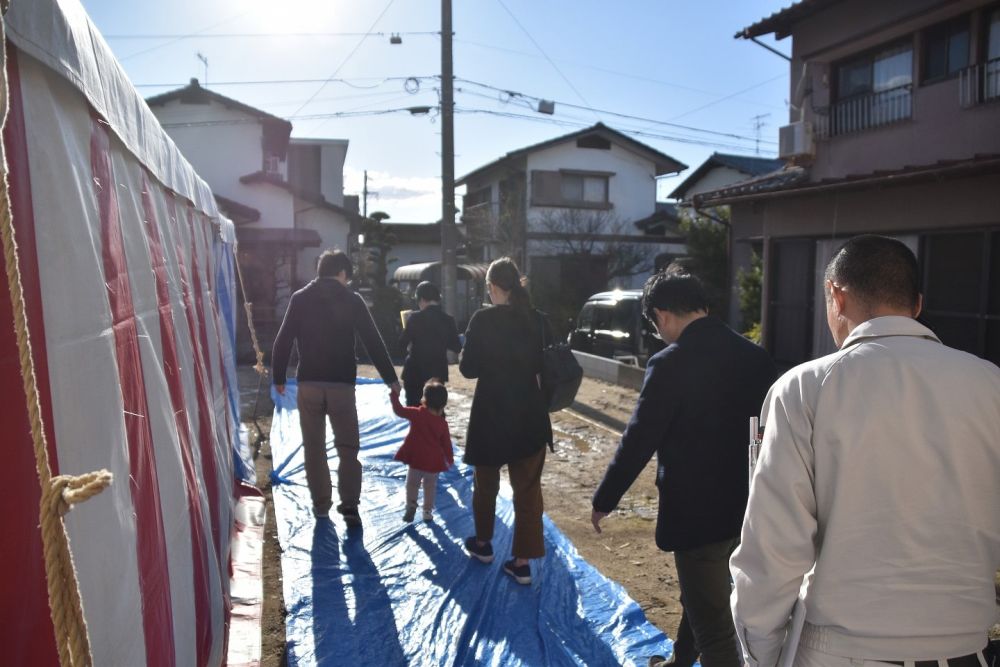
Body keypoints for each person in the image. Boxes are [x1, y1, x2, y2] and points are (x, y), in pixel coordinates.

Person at [730, 235, 1000, 667]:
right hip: (966, 647)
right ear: (916, 305)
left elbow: (774, 548)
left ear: (836, 294)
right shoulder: (990, 384)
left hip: (843, 650)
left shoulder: (806, 387)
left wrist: (758, 652)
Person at [590, 270, 776, 667]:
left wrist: (605, 497)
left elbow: (640, 437)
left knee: (715, 628)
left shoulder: (670, 362)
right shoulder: (755, 356)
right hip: (749, 503)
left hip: (697, 511)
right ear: (704, 307)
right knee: (702, 594)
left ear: (661, 316)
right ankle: (679, 660)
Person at [272, 249, 399, 526]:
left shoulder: (300, 298)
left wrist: (279, 378)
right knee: (348, 448)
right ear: (342, 273)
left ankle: (321, 506)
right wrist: (391, 378)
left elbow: (283, 341)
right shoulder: (352, 300)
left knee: (314, 448)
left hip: (309, 384)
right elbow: (373, 341)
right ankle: (350, 505)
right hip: (341, 384)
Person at [460, 257, 553, 585]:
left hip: (491, 415)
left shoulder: (482, 320)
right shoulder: (538, 320)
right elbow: (549, 366)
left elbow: (467, 368)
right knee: (527, 491)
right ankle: (522, 562)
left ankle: (483, 545)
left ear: (494, 288)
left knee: (485, 485)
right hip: (530, 416)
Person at [389, 378, 454, 523]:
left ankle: (411, 505)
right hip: (433, 462)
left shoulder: (417, 414)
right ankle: (427, 512)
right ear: (443, 403)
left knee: (412, 484)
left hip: (416, 459)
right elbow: (447, 444)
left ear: (424, 399)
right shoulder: (442, 423)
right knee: (430, 487)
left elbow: (398, 410)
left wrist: (394, 395)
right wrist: (449, 459)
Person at [398, 281, 462, 407]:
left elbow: (401, 344)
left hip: (414, 373)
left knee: (415, 413)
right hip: (437, 375)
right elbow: (456, 346)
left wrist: (409, 344)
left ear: (421, 299)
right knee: (435, 413)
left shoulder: (414, 318)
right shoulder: (448, 320)